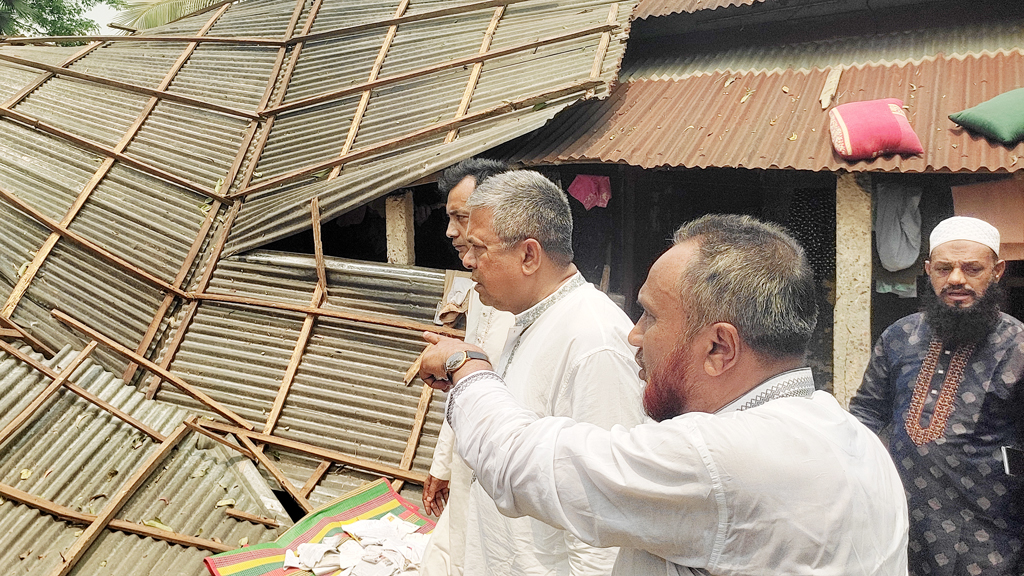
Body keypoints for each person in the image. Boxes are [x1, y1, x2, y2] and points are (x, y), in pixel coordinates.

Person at [419, 214, 909, 576]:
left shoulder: (718, 458)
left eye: (650, 316)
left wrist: (467, 366)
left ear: (719, 347)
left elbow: (519, 463)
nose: (633, 335)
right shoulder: (855, 440)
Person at [453, 169, 644, 575]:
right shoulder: (528, 318)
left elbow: (604, 518)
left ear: (528, 255)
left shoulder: (594, 342)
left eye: (478, 248)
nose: (467, 261)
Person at [850, 215, 1024, 576]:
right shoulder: (899, 335)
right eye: (944, 269)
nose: (956, 279)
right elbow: (865, 414)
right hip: (900, 523)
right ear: (928, 270)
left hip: (991, 533)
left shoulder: (1019, 346)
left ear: (997, 271)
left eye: (972, 268)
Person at [420, 158, 515, 576]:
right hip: (470, 468)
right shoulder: (482, 292)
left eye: (461, 218)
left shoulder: (531, 309)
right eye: (451, 218)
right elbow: (467, 388)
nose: (450, 232)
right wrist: (443, 465)